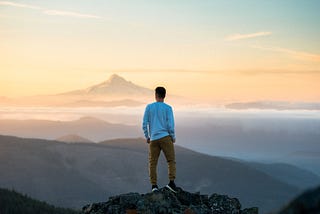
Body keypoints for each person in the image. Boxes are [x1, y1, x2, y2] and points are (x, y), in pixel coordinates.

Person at [142, 86, 177, 193]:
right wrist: (173, 137)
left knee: (153, 163)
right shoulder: (168, 108)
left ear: (156, 95)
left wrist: (147, 136)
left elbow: (144, 124)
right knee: (170, 160)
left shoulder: (149, 107)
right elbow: (170, 125)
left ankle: (154, 186)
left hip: (153, 139)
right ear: (164, 96)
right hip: (165, 137)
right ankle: (171, 183)